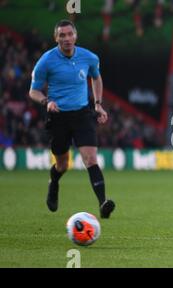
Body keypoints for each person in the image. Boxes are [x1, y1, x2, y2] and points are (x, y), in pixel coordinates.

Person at [29, 20, 116, 218]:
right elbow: (33, 91)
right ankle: (54, 183)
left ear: (75, 36)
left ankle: (103, 203)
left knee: (91, 159)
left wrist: (98, 104)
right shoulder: (46, 60)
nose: (66, 39)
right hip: (58, 116)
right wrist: (46, 102)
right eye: (62, 35)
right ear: (56, 38)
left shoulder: (89, 58)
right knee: (62, 165)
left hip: (82, 114)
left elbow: (96, 77)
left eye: (69, 34)